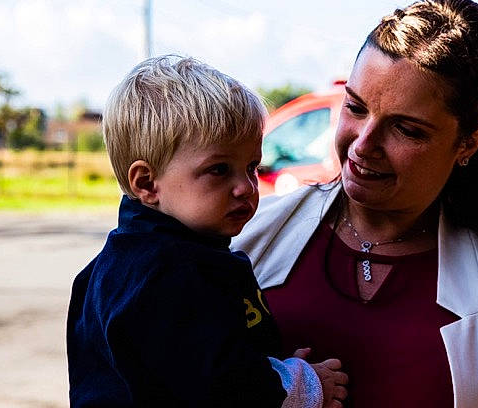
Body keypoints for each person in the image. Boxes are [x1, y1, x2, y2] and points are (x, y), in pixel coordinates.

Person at [232, 0, 478, 407]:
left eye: (406, 130)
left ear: (468, 142)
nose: (363, 144)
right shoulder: (241, 235)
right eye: (355, 107)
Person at [66, 56, 348, 407]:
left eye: (251, 167)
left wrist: (273, 365)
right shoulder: (173, 277)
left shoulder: (110, 269)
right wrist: (304, 385)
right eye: (219, 170)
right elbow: (219, 390)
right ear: (147, 182)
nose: (245, 187)